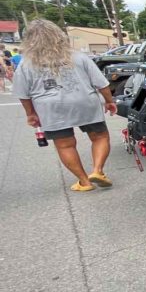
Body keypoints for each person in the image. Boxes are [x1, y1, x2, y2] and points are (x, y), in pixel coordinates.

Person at [12, 19, 118, 192]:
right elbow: (101, 83)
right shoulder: (78, 56)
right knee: (100, 137)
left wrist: (30, 113)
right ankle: (97, 171)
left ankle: (84, 181)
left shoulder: (26, 64)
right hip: (84, 101)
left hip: (51, 107)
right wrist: (109, 101)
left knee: (65, 145)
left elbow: (23, 94)